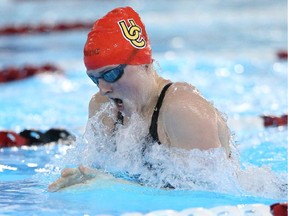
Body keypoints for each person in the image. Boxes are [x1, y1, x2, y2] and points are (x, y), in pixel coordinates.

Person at [48, 6, 231, 192]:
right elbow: (99, 172)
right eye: (94, 78)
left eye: (111, 74)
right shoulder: (101, 108)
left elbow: (207, 195)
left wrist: (113, 185)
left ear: (144, 64)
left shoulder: (184, 110)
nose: (103, 89)